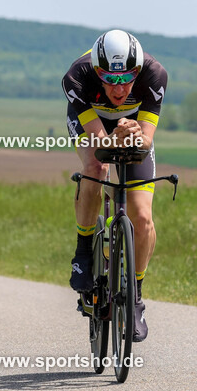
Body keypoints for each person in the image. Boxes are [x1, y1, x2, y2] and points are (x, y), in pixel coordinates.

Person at [63, 29, 168, 341]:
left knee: (143, 217)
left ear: (138, 71)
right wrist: (114, 136)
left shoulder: (154, 74)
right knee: (97, 165)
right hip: (93, 122)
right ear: (97, 71)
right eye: (110, 79)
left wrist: (131, 132)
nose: (119, 88)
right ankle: (83, 251)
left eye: (127, 79)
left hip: (133, 127)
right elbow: (100, 144)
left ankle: (135, 296)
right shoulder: (77, 77)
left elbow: (146, 139)